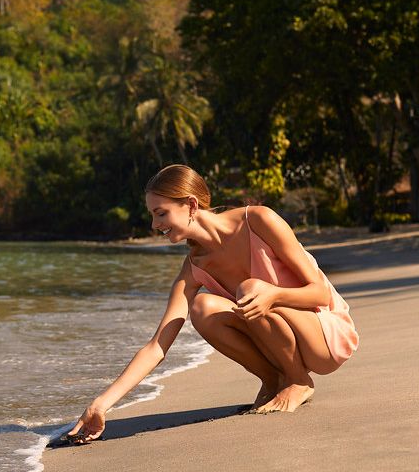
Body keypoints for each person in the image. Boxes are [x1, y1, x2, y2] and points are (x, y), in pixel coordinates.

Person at [65, 164, 358, 444]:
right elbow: (157, 346)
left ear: (191, 205)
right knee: (203, 308)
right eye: (153, 216)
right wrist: (101, 404)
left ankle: (298, 381)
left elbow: (320, 293)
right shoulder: (194, 267)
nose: (155, 225)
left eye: (161, 213)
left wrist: (273, 294)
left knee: (250, 289)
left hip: (323, 334)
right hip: (279, 340)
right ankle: (273, 381)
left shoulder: (258, 221)